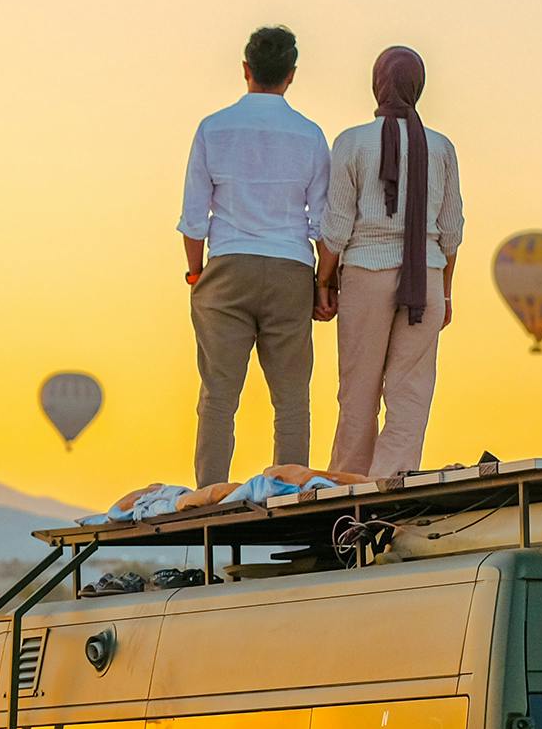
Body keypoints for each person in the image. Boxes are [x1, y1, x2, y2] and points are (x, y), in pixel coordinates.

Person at [177, 25, 330, 487]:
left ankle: (209, 495)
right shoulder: (309, 134)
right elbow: (322, 222)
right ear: (291, 75)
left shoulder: (213, 128)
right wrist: (324, 284)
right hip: (290, 268)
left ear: (246, 69)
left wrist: (196, 272)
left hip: (227, 265)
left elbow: (193, 217)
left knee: (219, 395)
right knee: (291, 399)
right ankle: (288, 493)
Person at [320, 45, 461, 479]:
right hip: (427, 280)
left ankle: (348, 488)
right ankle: (391, 485)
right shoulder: (441, 148)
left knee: (358, 392)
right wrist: (446, 291)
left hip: (365, 276)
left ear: (377, 84)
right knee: (411, 395)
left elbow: (337, 225)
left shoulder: (351, 143)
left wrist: (323, 281)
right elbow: (452, 228)